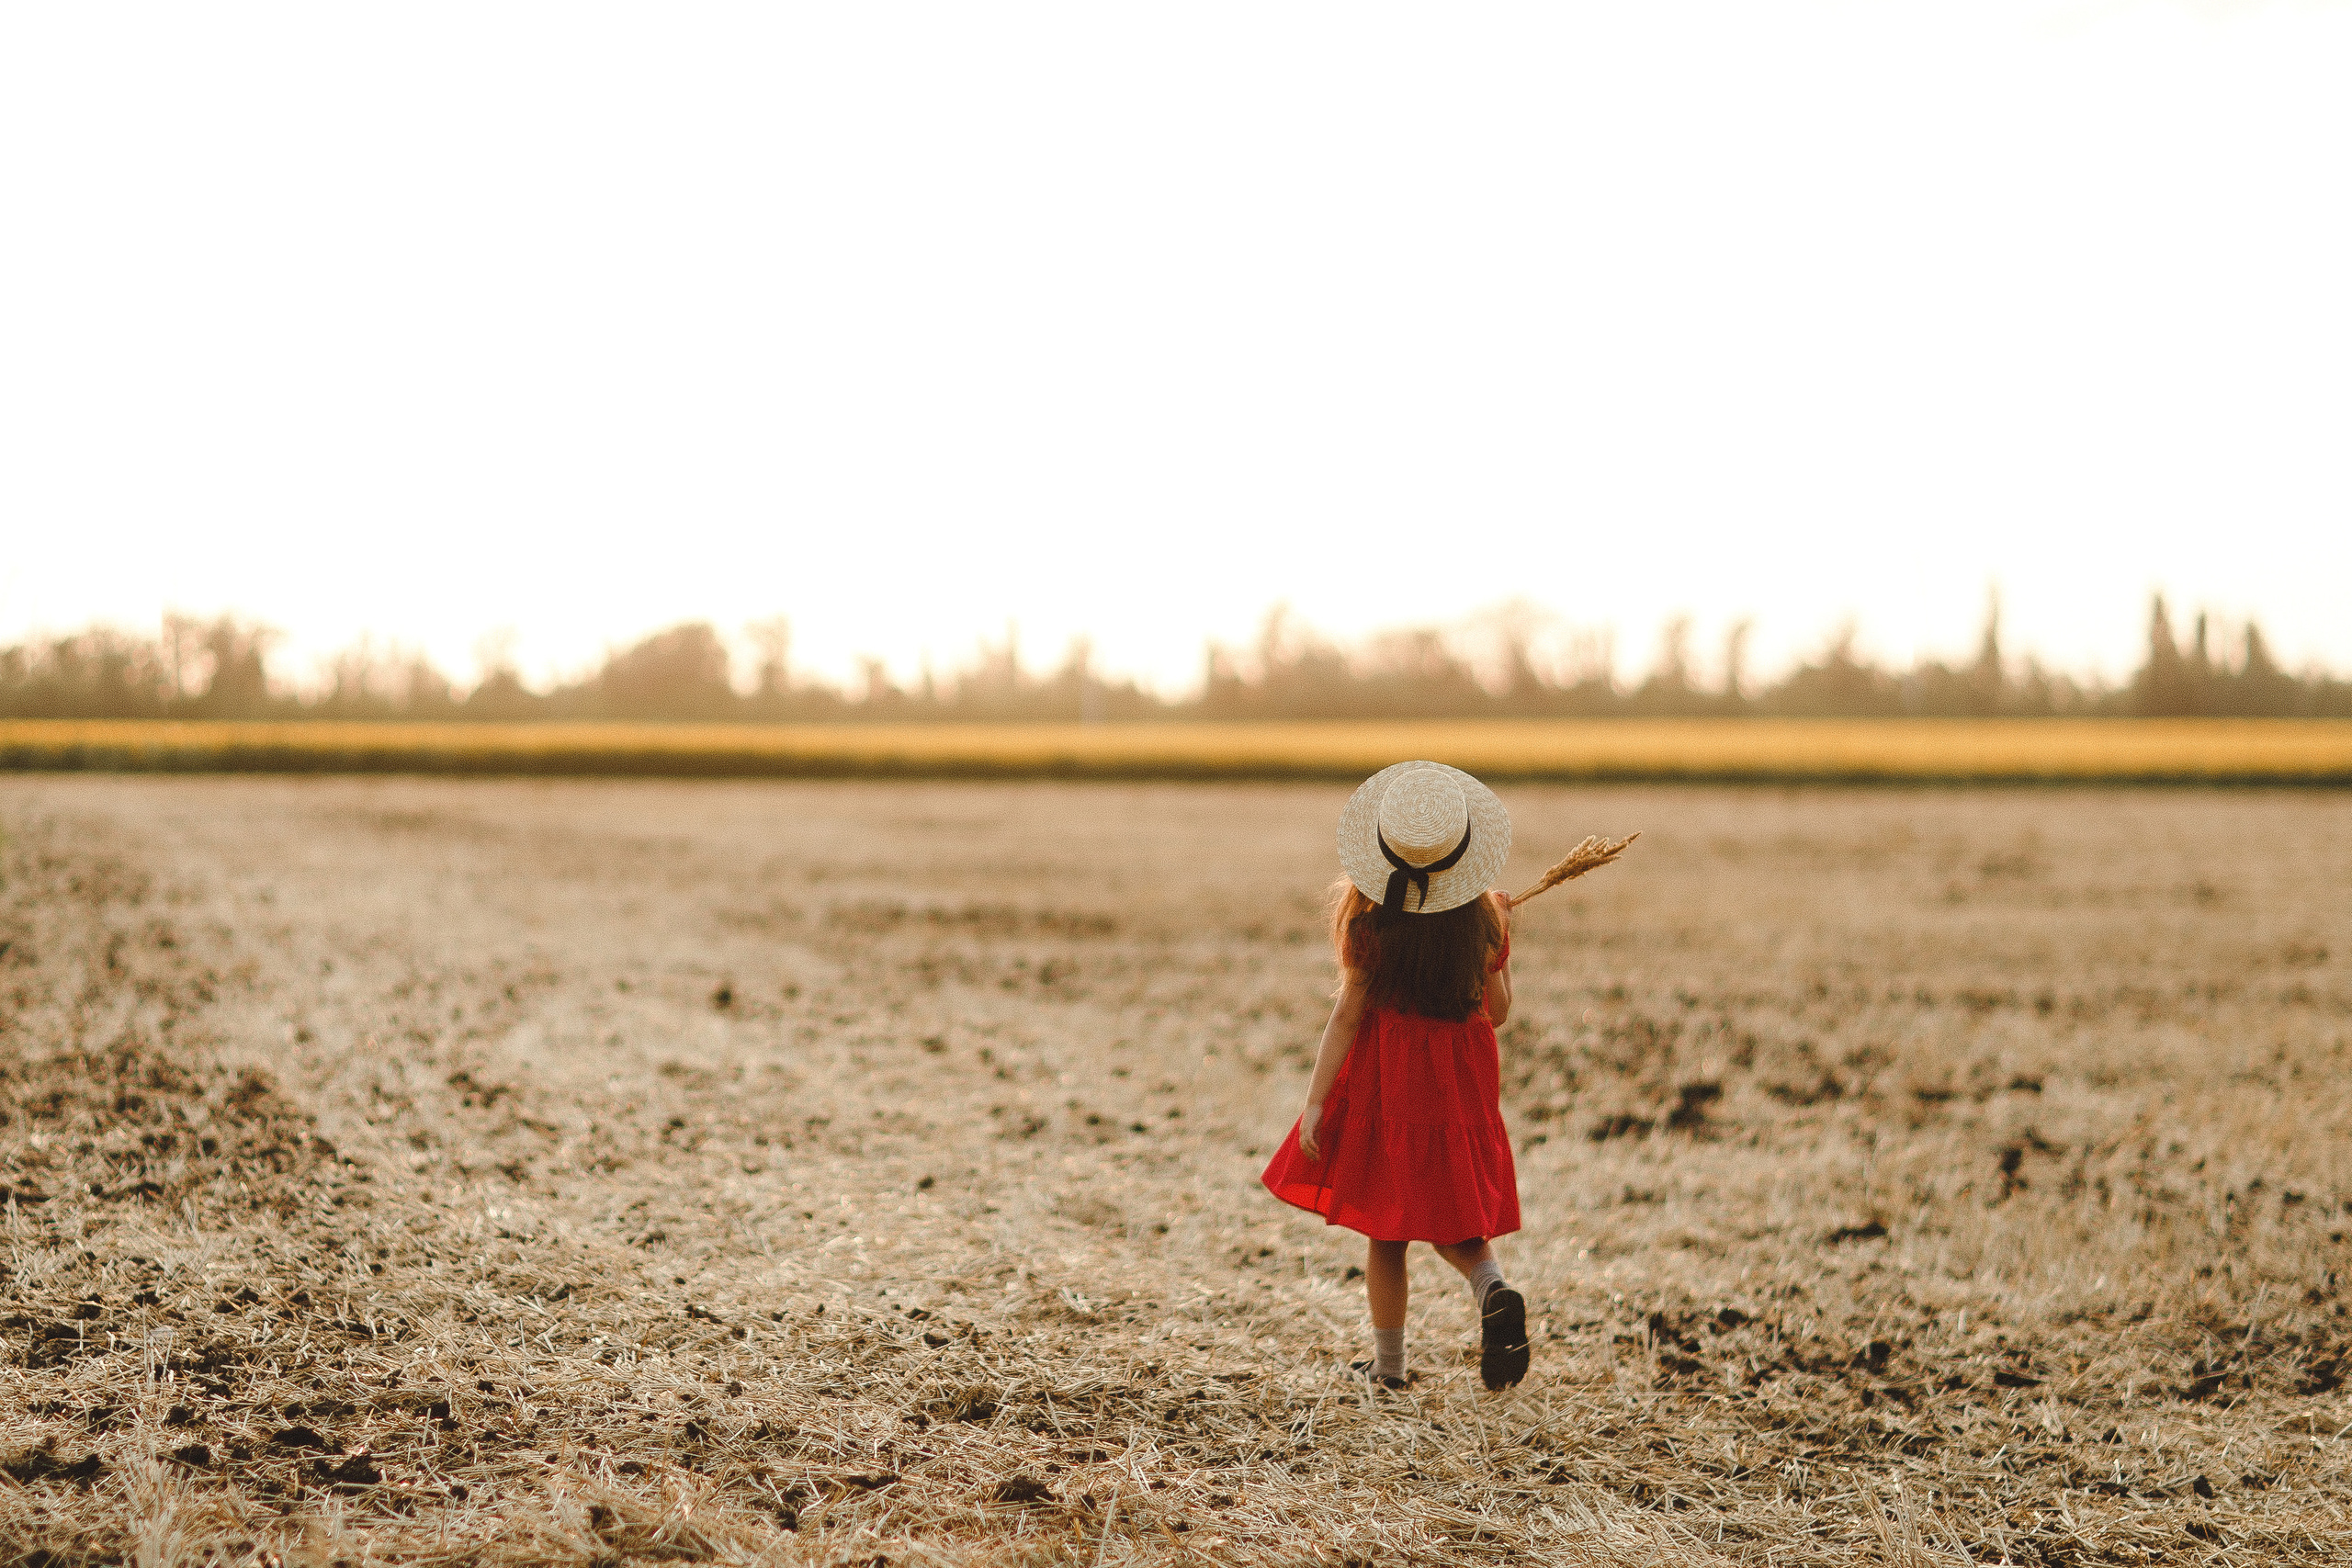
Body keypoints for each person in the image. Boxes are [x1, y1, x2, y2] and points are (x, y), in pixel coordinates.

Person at [1261, 761, 1530, 1392]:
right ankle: (1492, 1287)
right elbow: (1497, 1013)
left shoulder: (1372, 925)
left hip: (1395, 1087)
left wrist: (1317, 1102)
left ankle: (1389, 1368)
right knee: (1454, 1216)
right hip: (1460, 1088)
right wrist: (1500, 941)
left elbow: (1347, 1017)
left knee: (1388, 1231)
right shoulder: (1482, 922)